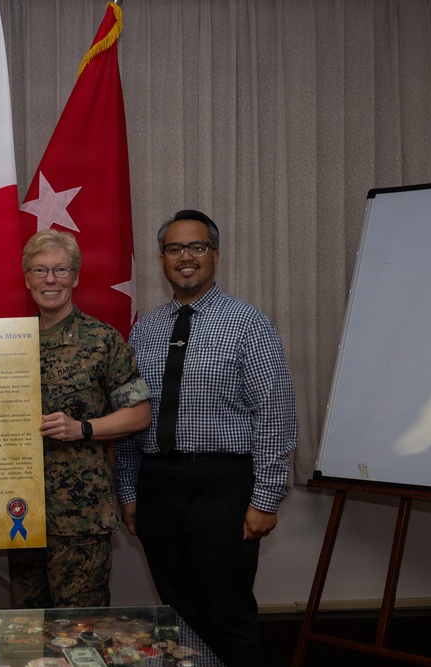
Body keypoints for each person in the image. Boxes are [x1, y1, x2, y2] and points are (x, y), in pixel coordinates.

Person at [114, 210, 297, 667]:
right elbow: (131, 417)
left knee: (226, 614)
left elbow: (275, 414)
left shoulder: (247, 323)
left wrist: (266, 499)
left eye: (196, 247)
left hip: (222, 487)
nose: (186, 257)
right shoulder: (145, 330)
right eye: (175, 249)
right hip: (158, 486)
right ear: (162, 260)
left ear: (215, 255)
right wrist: (131, 490)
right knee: (178, 619)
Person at [8, 229, 151, 609]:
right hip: (20, 515)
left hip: (80, 519)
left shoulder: (102, 340)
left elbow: (140, 414)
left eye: (60, 270)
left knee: (81, 632)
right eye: (39, 270)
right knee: (27, 629)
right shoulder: (6, 343)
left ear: (75, 277)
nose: (50, 280)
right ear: (26, 278)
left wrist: (83, 428)